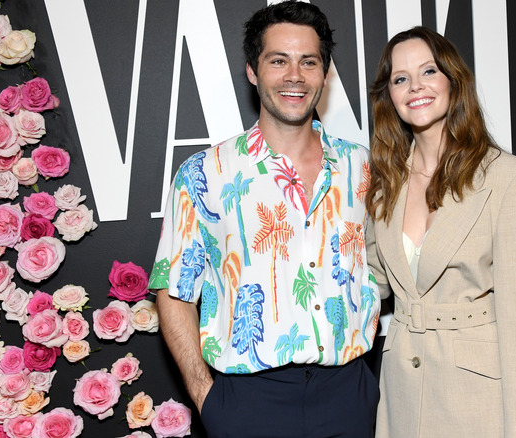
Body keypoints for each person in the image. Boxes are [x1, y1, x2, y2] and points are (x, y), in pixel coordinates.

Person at [148, 2, 381, 437]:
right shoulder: (205, 173)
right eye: (279, 60)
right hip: (248, 403)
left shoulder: (360, 166)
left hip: (348, 394)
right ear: (254, 71)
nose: (295, 75)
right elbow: (174, 289)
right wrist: (206, 396)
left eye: (308, 61)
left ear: (324, 74)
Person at [366, 26, 516, 437]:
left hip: (477, 399)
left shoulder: (507, 178)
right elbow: (372, 282)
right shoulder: (384, 183)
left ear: (453, 80)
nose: (415, 86)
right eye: (400, 78)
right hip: (401, 397)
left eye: (428, 71)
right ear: (389, 96)